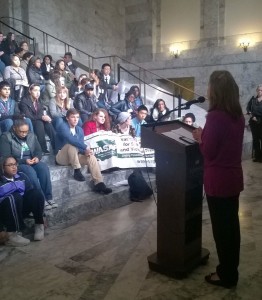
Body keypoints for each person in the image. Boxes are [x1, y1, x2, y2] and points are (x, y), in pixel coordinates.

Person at [192, 70, 244, 288]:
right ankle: (231, 269)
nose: (207, 90)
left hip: (218, 180)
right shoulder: (237, 115)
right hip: (233, 177)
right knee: (232, 228)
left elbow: (210, 151)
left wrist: (199, 137)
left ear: (215, 91)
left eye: (209, 85)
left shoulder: (215, 117)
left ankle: (226, 275)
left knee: (222, 230)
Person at [0, 119, 57, 210]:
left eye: (26, 131)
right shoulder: (6, 137)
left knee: (43, 168)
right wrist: (23, 161)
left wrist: (37, 157)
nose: (24, 134)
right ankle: (41, 199)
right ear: (14, 128)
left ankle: (49, 197)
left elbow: (38, 151)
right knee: (29, 171)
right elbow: (6, 157)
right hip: (17, 163)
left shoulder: (31, 135)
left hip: (31, 161)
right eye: (21, 132)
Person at [55, 108, 112, 194]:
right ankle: (77, 170)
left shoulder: (79, 130)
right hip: (62, 157)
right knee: (71, 145)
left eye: (77, 117)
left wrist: (85, 152)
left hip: (74, 156)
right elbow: (70, 139)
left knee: (91, 156)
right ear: (67, 118)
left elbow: (80, 146)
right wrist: (85, 147)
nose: (75, 119)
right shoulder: (63, 126)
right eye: (72, 117)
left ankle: (99, 183)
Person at [0, 156, 45, 245]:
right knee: (13, 196)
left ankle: (39, 225)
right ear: (2, 167)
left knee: (35, 193)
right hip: (5, 213)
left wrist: (42, 214)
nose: (14, 167)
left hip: (21, 209)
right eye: (10, 165)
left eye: (15, 164)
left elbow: (32, 195)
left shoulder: (22, 176)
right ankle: (12, 234)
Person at [19, 83, 56, 154]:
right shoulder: (24, 101)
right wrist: (41, 117)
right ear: (30, 91)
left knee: (48, 124)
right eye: (35, 90)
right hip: (28, 121)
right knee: (39, 123)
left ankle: (56, 146)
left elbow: (40, 113)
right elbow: (28, 116)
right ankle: (43, 148)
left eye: (39, 90)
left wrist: (46, 117)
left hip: (37, 120)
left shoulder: (38, 101)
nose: (38, 93)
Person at [246, 84, 262, 162]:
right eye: (258, 90)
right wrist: (252, 117)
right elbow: (248, 109)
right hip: (254, 122)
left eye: (261, 90)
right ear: (256, 91)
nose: (259, 91)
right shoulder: (253, 100)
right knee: (255, 139)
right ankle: (257, 157)